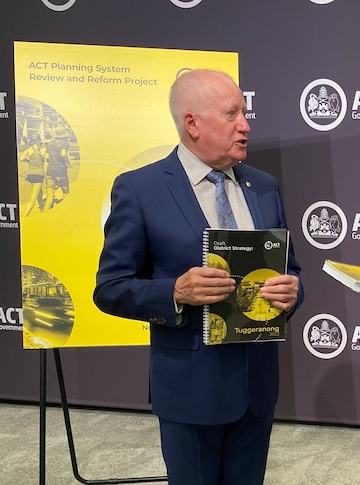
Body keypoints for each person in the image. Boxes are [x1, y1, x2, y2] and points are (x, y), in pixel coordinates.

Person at [94, 69, 303, 484]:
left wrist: (292, 292)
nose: (245, 124)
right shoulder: (140, 189)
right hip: (189, 392)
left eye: (245, 113)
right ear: (192, 123)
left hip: (256, 389)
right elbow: (110, 288)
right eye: (232, 114)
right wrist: (175, 291)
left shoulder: (263, 186)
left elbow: (290, 270)